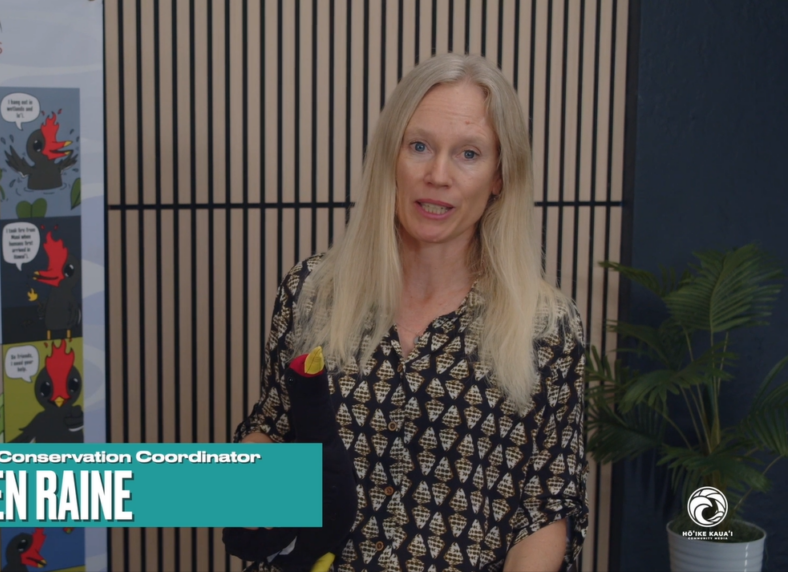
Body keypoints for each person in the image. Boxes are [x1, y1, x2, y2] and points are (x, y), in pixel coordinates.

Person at [232, 52, 589, 572]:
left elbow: (546, 508)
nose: (437, 175)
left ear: (499, 176)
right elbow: (274, 426)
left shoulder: (547, 327)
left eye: (468, 153)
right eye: (419, 146)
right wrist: (245, 482)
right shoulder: (312, 291)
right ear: (389, 158)